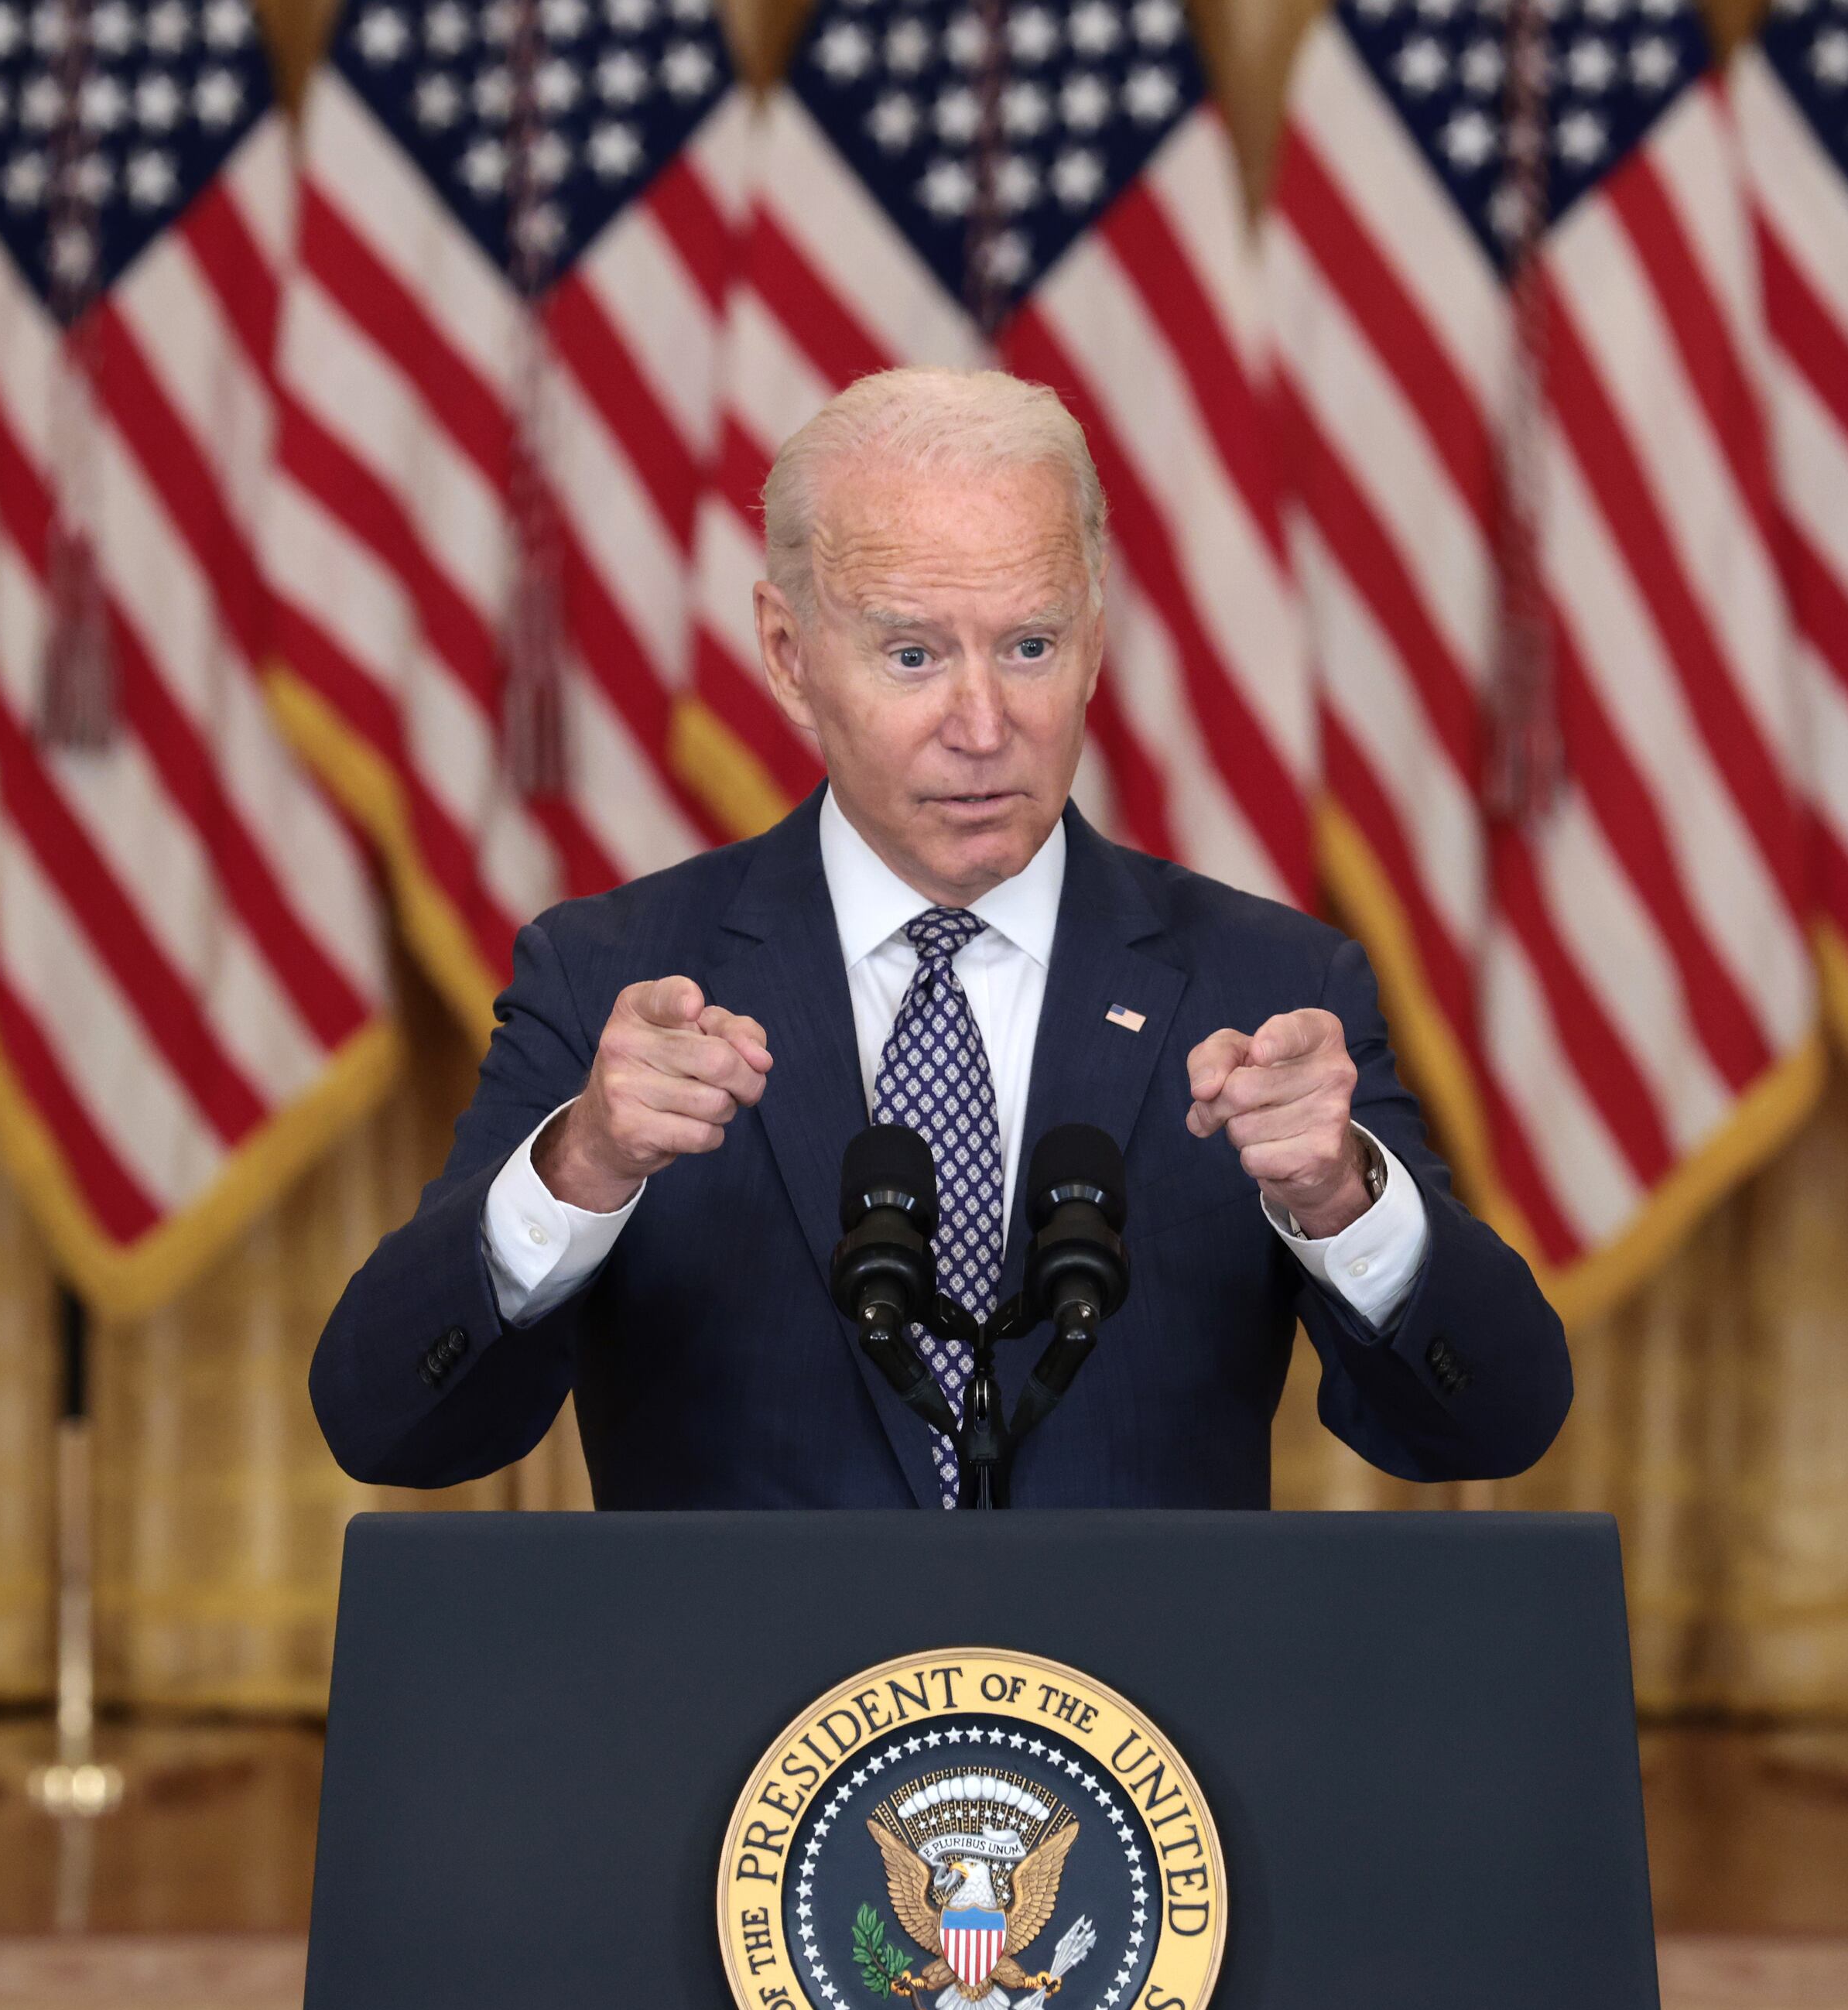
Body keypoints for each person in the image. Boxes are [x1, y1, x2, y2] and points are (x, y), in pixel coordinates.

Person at [314, 368, 1569, 1507]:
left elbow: (1496, 1422)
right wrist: (581, 1166)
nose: (984, 724)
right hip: (749, 1748)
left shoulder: (1269, 989)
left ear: (1093, 637)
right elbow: (389, 1425)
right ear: (789, 657)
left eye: (1030, 645)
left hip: (1134, 1742)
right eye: (913, 655)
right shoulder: (612, 983)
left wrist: (1344, 1197)